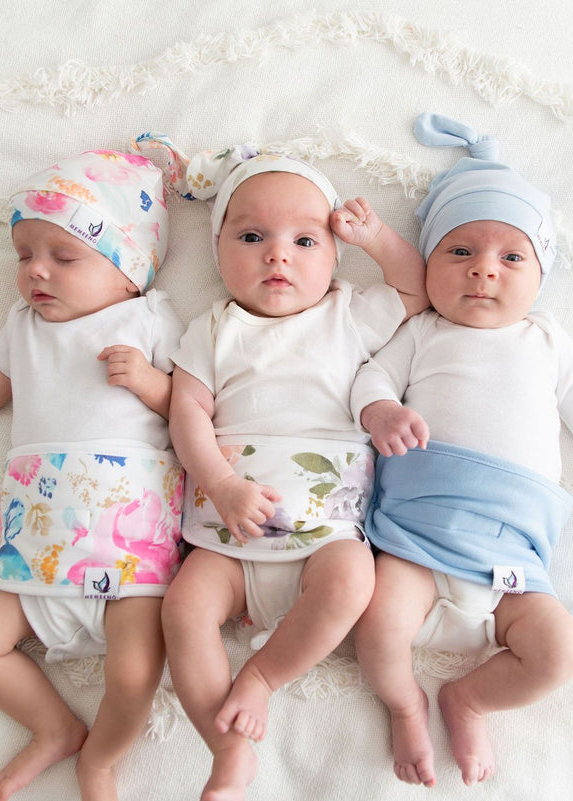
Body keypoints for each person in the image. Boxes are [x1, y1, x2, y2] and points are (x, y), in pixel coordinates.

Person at [350, 113, 573, 788]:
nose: (483, 273)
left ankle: (468, 698)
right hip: (415, 539)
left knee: (558, 651)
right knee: (377, 629)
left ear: (540, 271)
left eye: (510, 257)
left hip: (511, 557)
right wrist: (380, 410)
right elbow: (371, 376)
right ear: (430, 262)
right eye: (459, 252)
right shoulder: (423, 331)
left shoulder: (545, 341)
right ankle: (404, 701)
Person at [145, 135, 428, 801]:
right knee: (183, 609)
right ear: (217, 252)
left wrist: (378, 237)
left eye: (305, 240)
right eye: (250, 236)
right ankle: (229, 752)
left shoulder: (347, 314)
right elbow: (187, 412)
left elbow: (415, 287)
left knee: (353, 580)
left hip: (322, 534)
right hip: (227, 532)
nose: (277, 253)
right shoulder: (212, 328)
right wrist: (220, 482)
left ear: (334, 256)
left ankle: (264, 677)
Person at [0, 148, 183, 801]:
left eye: (64, 255)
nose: (37, 272)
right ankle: (54, 726)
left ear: (127, 270)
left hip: (126, 546)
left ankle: (101, 760)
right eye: (25, 255)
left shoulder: (148, 318)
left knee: (135, 671)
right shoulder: (22, 328)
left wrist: (150, 382)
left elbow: (197, 406)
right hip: (36, 541)